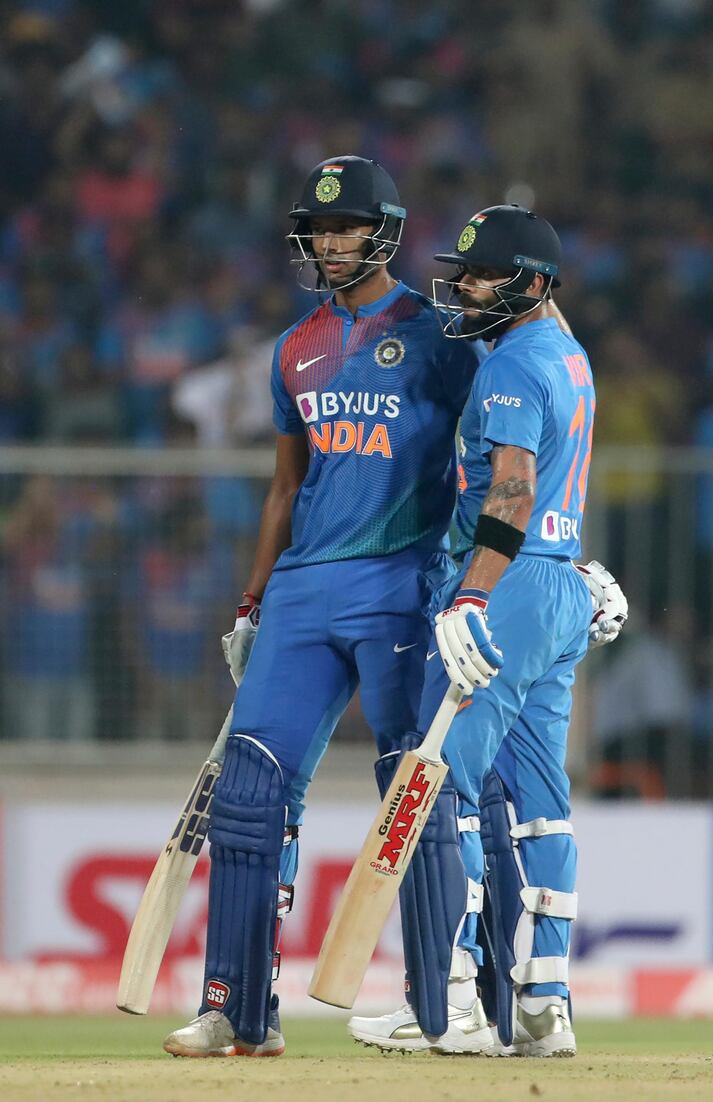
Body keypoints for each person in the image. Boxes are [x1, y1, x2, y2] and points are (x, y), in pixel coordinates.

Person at [162, 156, 483, 1057]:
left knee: (409, 794)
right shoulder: (295, 346)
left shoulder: (440, 335)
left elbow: (493, 456)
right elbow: (283, 488)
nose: (332, 243)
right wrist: (252, 600)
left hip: (402, 581)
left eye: (348, 228)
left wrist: (473, 574)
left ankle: (435, 1007)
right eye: (319, 230)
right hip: (303, 590)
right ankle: (236, 1009)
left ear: (384, 230)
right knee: (250, 794)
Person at [349, 205, 617, 1057]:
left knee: (443, 788)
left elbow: (511, 489)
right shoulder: (568, 357)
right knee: (544, 807)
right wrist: (569, 565)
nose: (462, 286)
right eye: (461, 271)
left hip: (502, 586)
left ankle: (456, 1002)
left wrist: (472, 598)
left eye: (482, 275)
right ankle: (545, 1004)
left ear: (532, 285)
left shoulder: (506, 367)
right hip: (559, 587)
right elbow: (552, 492)